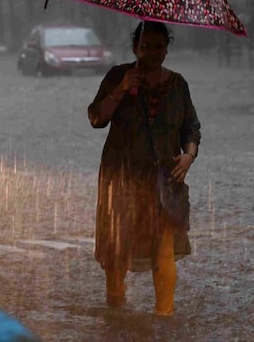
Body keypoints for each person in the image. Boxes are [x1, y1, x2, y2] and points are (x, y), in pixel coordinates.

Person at [87, 21, 201, 316]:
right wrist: (122, 88)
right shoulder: (118, 76)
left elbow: (191, 128)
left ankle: (164, 314)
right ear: (135, 46)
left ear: (167, 49)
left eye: (159, 47)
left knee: (163, 244)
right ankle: (115, 302)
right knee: (117, 242)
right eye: (145, 46)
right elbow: (96, 118)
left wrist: (188, 156)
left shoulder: (178, 85)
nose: (152, 52)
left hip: (163, 176)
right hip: (120, 174)